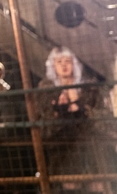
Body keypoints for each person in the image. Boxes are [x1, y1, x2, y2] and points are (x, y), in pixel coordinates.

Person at [38, 47, 116, 193]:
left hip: (93, 146)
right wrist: (59, 111)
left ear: (74, 63)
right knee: (70, 183)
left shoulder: (89, 87)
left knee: (97, 184)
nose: (64, 65)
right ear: (53, 66)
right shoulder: (48, 90)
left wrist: (82, 108)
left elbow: (104, 116)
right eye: (59, 62)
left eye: (67, 61)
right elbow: (45, 122)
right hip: (65, 147)